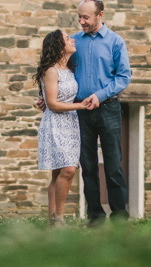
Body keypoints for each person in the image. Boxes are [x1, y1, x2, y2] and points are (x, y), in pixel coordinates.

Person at [38, 0, 132, 225]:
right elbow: (57, 71)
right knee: (87, 166)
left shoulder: (115, 42)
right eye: (79, 16)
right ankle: (95, 217)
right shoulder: (74, 42)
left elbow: (123, 77)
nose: (81, 21)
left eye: (86, 17)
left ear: (100, 15)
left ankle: (119, 217)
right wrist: (44, 96)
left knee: (113, 164)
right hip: (78, 113)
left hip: (107, 109)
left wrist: (99, 96)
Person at [34, 29, 95, 225]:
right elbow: (52, 104)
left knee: (59, 172)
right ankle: (59, 217)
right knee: (68, 170)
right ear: (59, 46)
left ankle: (52, 220)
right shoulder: (51, 70)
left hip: (71, 123)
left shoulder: (69, 69)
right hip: (56, 124)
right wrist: (81, 105)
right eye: (67, 39)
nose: (72, 40)